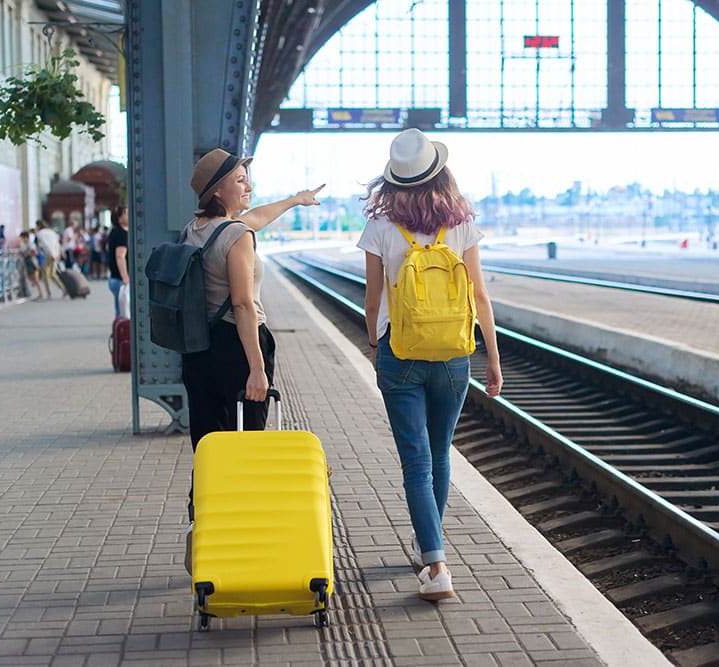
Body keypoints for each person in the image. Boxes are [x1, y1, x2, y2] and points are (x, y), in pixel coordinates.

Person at [357, 129, 503, 601]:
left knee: (416, 460)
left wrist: (375, 343)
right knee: (440, 454)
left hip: (400, 353)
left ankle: (436, 564)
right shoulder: (461, 225)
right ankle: (429, 547)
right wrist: (493, 362)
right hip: (454, 354)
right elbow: (480, 295)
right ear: (441, 174)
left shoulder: (380, 228)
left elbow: (372, 298)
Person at [180, 147, 323, 573]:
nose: (249, 186)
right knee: (246, 443)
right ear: (218, 190)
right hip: (239, 348)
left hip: (199, 350)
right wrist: (257, 369)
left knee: (207, 444)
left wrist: (296, 200)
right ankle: (241, 537)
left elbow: (257, 216)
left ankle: (202, 524)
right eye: (240, 180)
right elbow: (243, 305)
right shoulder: (236, 236)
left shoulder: (197, 228)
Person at [107, 206, 129, 317]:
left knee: (120, 310)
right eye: (127, 213)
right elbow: (120, 256)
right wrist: (125, 277)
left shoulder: (114, 232)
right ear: (120, 218)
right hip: (121, 279)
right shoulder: (121, 234)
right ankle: (121, 333)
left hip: (115, 278)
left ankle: (119, 332)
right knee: (123, 312)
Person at [35, 220, 64, 298]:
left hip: (47, 254)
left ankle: (49, 293)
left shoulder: (40, 233)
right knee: (52, 274)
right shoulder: (52, 232)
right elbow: (57, 244)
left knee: (46, 275)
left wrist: (51, 254)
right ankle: (63, 289)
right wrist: (57, 254)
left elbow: (45, 244)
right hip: (55, 253)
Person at [19, 230, 44, 300]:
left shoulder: (31, 244)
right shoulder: (23, 244)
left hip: (32, 262)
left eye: (23, 238)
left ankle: (40, 293)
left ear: (26, 237)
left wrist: (27, 254)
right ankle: (31, 293)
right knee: (30, 278)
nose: (22, 239)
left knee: (35, 279)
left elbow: (35, 253)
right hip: (27, 262)